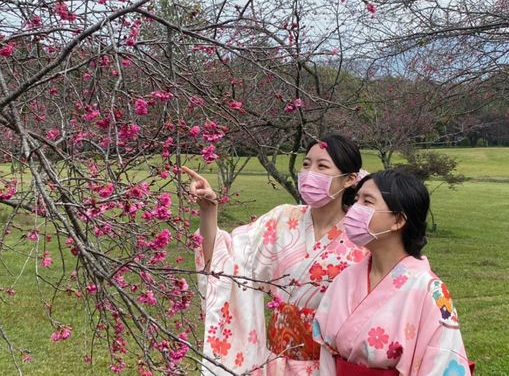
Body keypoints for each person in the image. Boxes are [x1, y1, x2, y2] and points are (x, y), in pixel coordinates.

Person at [183, 134, 368, 375]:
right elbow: (226, 262)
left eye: (322, 166)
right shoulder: (282, 219)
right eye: (306, 164)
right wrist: (209, 211)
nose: (310, 172)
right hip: (275, 362)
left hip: (330, 364)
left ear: (350, 179)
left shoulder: (362, 237)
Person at [312, 169, 475, 376]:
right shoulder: (346, 279)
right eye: (356, 200)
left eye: (367, 202)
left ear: (398, 220)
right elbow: (327, 356)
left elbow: (441, 363)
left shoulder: (430, 291)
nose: (354, 209)